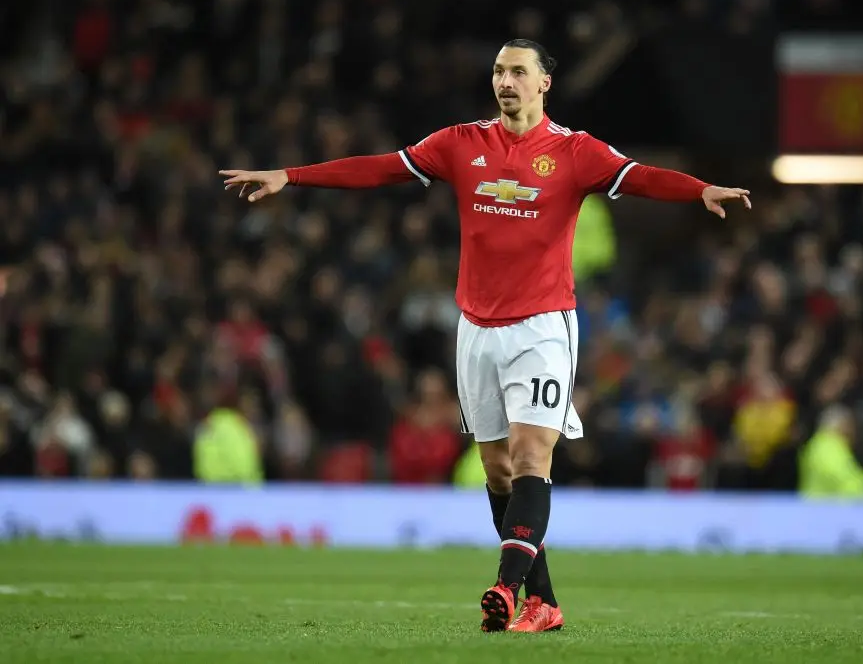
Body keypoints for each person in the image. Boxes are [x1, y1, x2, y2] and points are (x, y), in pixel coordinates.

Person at [220, 38, 751, 633]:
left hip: (543, 327)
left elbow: (640, 175)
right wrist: (290, 176)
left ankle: (505, 586)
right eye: (499, 70)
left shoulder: (574, 152)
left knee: (532, 457)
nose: (505, 80)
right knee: (498, 471)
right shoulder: (460, 144)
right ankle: (543, 604)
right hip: (474, 327)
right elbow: (381, 169)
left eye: (518, 71)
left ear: (545, 83)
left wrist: (698, 188)